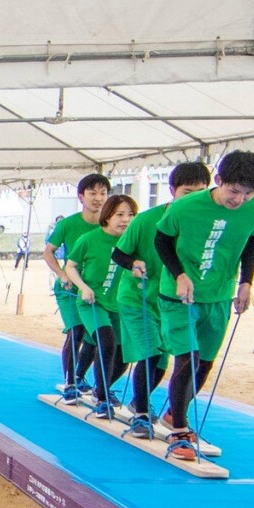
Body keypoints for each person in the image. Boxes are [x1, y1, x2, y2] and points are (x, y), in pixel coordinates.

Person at [150, 151, 254, 463]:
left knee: (204, 363)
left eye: (248, 193)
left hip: (218, 294)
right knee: (186, 358)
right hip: (178, 295)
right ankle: (179, 431)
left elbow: (253, 242)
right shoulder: (186, 206)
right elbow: (161, 241)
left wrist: (246, 282)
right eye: (234, 191)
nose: (240, 200)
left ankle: (174, 414)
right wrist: (178, 274)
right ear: (218, 181)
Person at [108, 161, 209, 436]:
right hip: (136, 298)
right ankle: (141, 413)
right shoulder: (146, 220)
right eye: (187, 192)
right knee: (150, 353)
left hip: (170, 304)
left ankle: (143, 404)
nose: (193, 199)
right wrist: (134, 264)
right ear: (173, 190)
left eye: (201, 192)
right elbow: (118, 254)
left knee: (165, 362)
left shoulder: (203, 224)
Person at [65, 194, 137, 417]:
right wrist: (83, 287)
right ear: (107, 216)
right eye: (120, 214)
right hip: (92, 302)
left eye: (131, 215)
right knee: (105, 343)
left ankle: (97, 387)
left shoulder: (132, 242)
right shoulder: (89, 239)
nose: (126, 219)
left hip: (120, 305)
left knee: (123, 354)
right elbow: (70, 266)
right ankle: (102, 399)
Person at [42, 174, 112, 400]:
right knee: (77, 331)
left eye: (103, 193)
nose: (98, 198)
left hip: (98, 291)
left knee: (95, 336)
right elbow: (48, 251)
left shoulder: (110, 226)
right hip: (70, 289)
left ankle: (81, 376)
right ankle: (70, 381)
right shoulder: (68, 224)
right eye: (92, 193)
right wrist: (62, 274)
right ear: (81, 196)